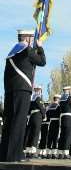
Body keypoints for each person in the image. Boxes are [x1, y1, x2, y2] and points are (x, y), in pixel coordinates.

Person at [0, 29, 46, 162]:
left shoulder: (13, 52)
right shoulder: (27, 50)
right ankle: (15, 155)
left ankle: (5, 154)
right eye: (32, 38)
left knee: (9, 122)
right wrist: (41, 48)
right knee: (19, 123)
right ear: (27, 39)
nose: (32, 41)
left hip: (10, 91)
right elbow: (42, 62)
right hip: (22, 90)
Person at [24, 85, 46, 158]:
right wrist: (44, 115)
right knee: (35, 134)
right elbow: (41, 107)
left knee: (30, 134)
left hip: (32, 116)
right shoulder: (38, 98)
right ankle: (33, 152)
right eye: (39, 90)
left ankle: (27, 151)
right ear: (39, 90)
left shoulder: (32, 98)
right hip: (37, 116)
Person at [57, 86, 71, 159]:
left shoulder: (61, 99)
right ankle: (66, 154)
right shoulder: (69, 98)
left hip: (63, 118)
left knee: (62, 135)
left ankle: (60, 153)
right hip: (69, 118)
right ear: (68, 91)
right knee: (68, 136)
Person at [46, 94, 61, 159]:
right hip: (56, 122)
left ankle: (48, 153)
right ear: (57, 99)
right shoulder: (58, 106)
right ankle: (54, 154)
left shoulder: (49, 106)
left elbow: (47, 115)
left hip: (50, 123)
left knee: (50, 138)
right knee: (55, 138)